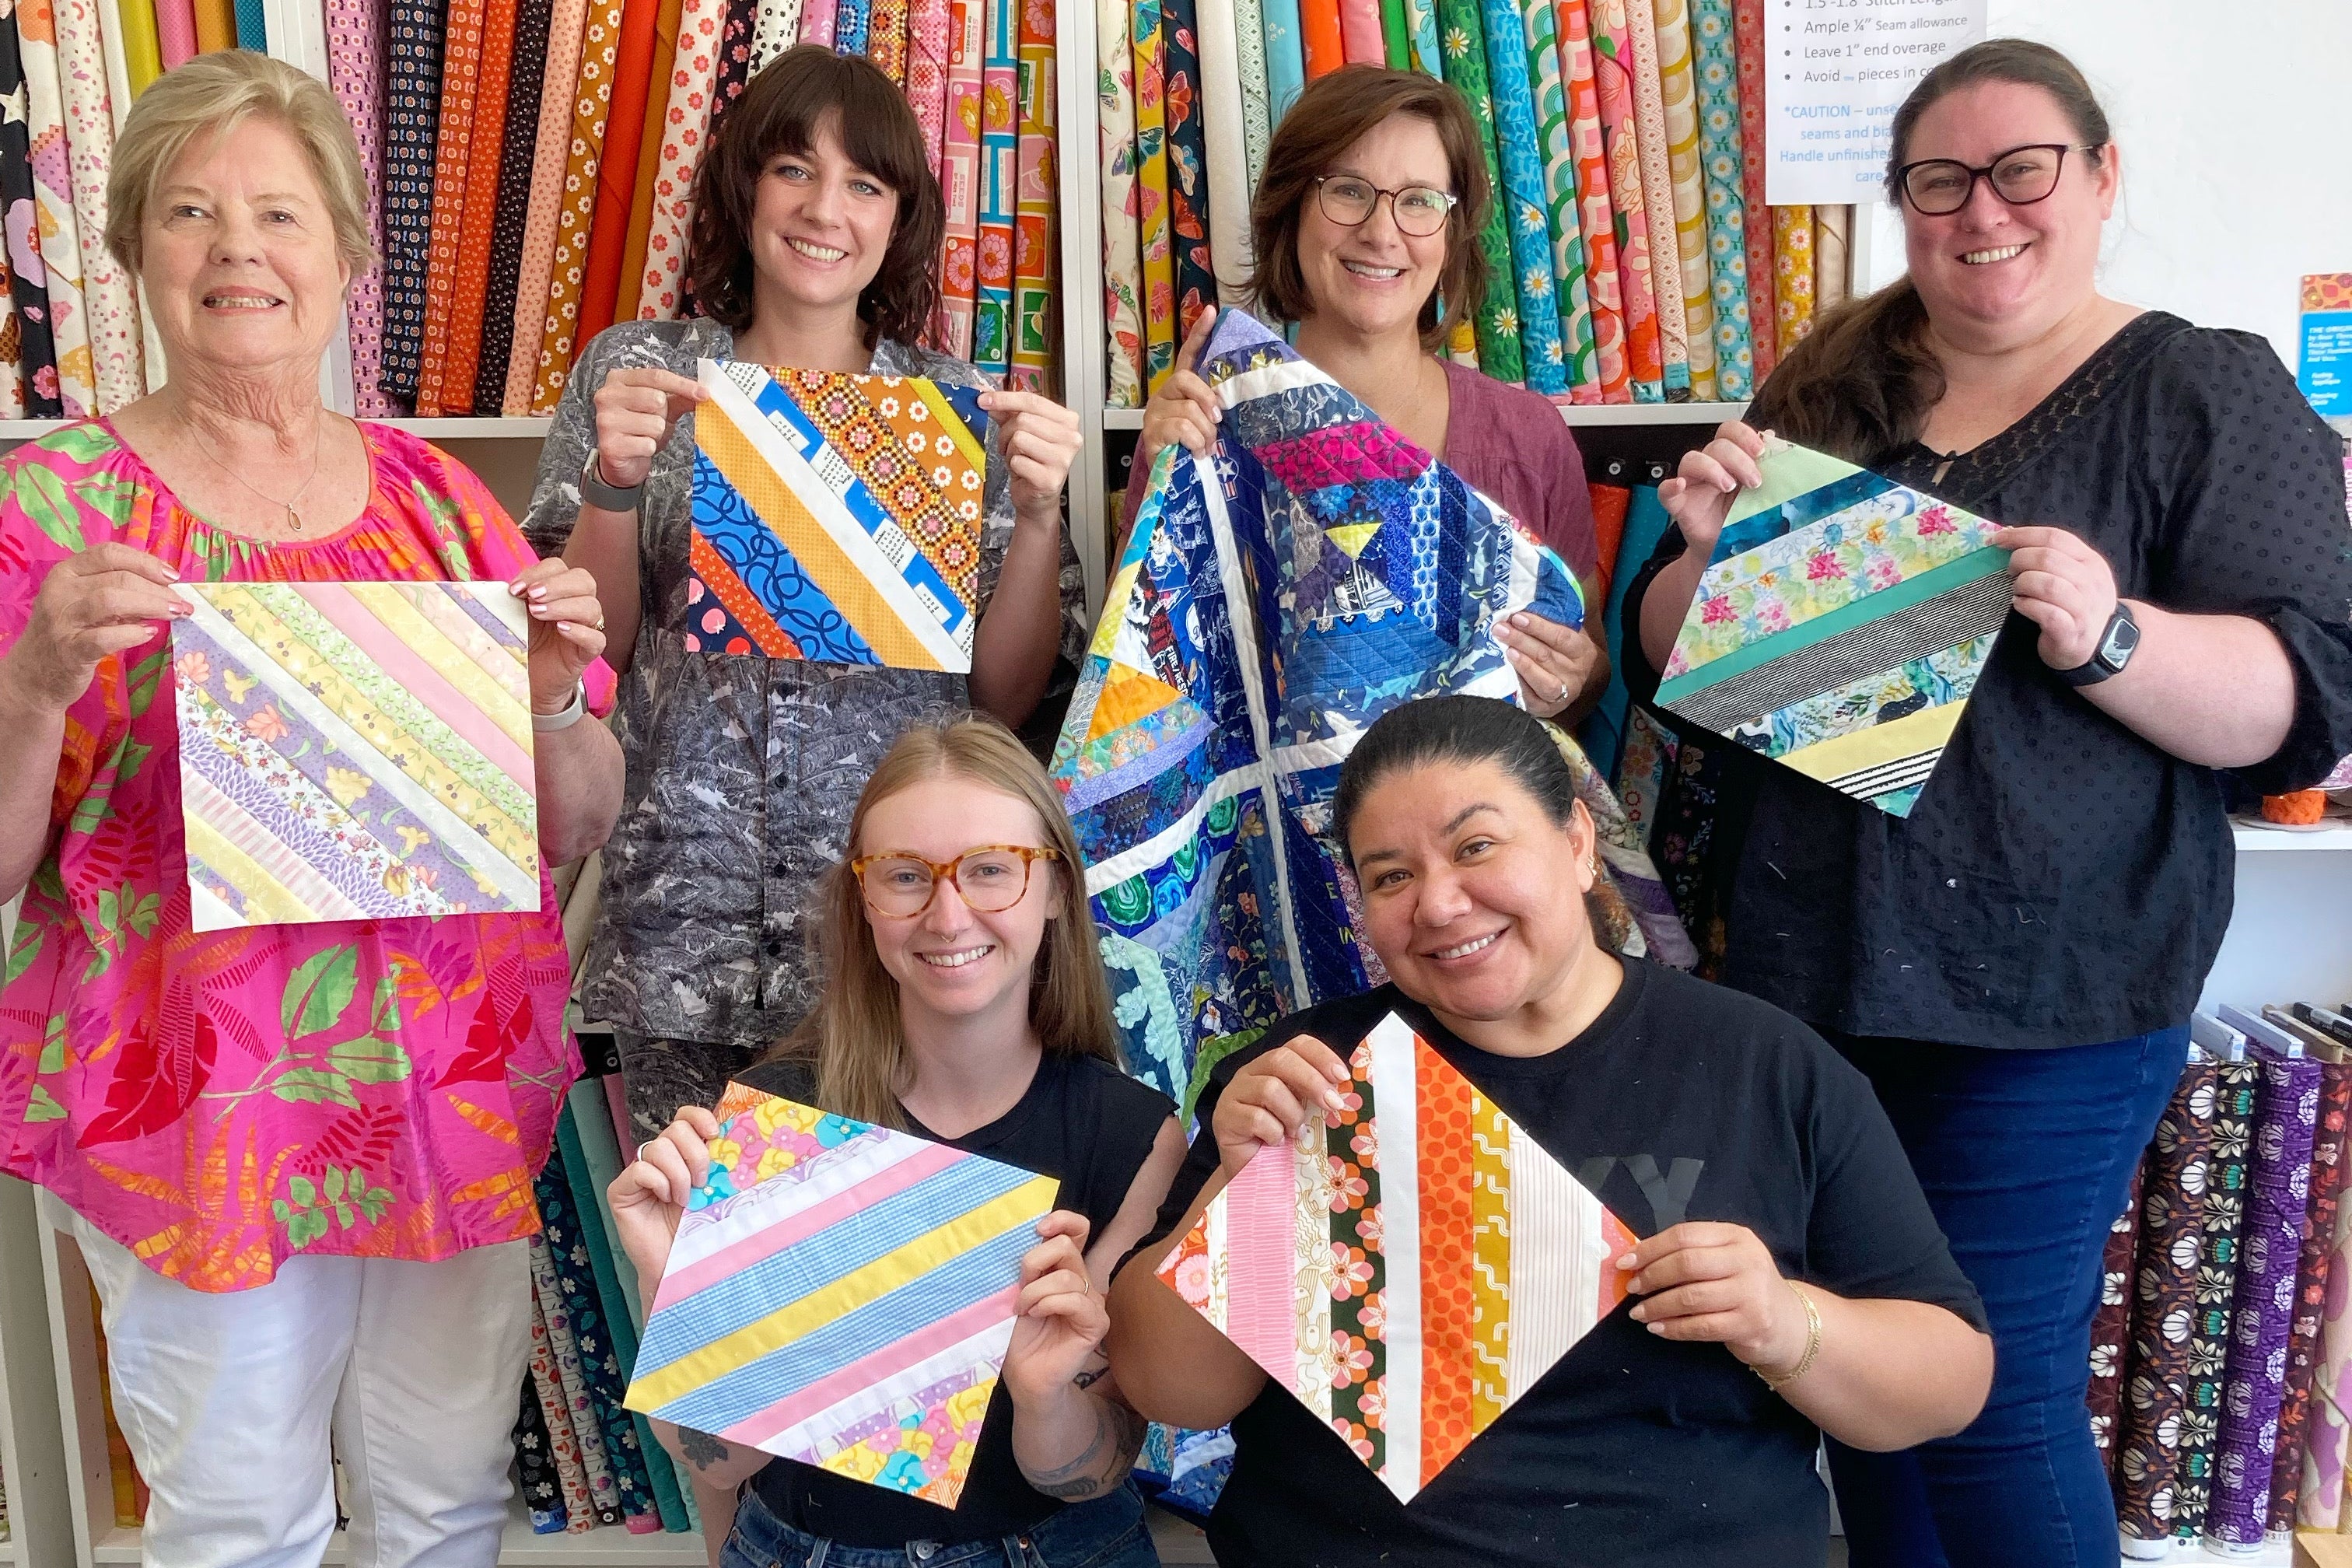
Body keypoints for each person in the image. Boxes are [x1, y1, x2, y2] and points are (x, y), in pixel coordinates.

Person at [1621, 39, 2352, 1568]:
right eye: (1940, 181)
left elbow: (2301, 703)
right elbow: (1691, 675)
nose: (1984, 210)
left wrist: (2110, 635)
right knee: (1856, 1370)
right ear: (1904, 204)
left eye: (2024, 168)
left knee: (1996, 1373)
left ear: (2099, 179)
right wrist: (1698, 559)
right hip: (1813, 976)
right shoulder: (1837, 374)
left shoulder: (2193, 388)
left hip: (2060, 994)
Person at [0, 51, 623, 1566]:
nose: (237, 250)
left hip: (449, 1101)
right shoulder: (48, 512)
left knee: (440, 1507)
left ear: (343, 250)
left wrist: (545, 692)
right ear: (135, 243)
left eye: (278, 214)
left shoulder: (435, 501)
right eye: (193, 210)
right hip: (197, 1113)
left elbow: (579, 818)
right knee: (233, 1525)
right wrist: (30, 690)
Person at [1104, 695, 1994, 1566]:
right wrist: (1233, 1187)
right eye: (1391, 876)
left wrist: (1783, 1323)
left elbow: (1948, 1385)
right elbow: (1172, 1393)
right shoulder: (1304, 1083)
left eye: (1476, 847)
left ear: (1576, 842)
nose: (1440, 903)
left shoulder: (1768, 1067)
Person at [523, 45, 1090, 1148]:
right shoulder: (639, 368)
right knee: (695, 1287)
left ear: (898, 219)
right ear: (745, 190)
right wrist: (613, 483)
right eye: (794, 169)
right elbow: (583, 662)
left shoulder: (952, 403)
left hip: (894, 943)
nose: (826, 209)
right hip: (681, 930)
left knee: (874, 1291)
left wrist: (1036, 516)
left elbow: (1001, 696)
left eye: (865, 184)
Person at [609, 714, 1186, 1566]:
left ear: (1058, 889)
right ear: (865, 901)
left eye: (992, 871)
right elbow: (721, 1463)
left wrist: (1041, 1395)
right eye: (906, 876)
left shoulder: (1131, 1137)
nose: (948, 915)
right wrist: (674, 1286)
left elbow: (1089, 1476)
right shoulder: (777, 1121)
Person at [1128, 65, 1605, 725]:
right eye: (1349, 191)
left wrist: (1570, 680)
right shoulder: (1203, 430)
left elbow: (1589, 670)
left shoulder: (1528, 435)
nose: (1382, 233)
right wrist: (1171, 479)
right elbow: (1156, 699)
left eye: (1418, 200)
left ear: (1452, 230)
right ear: (1291, 209)